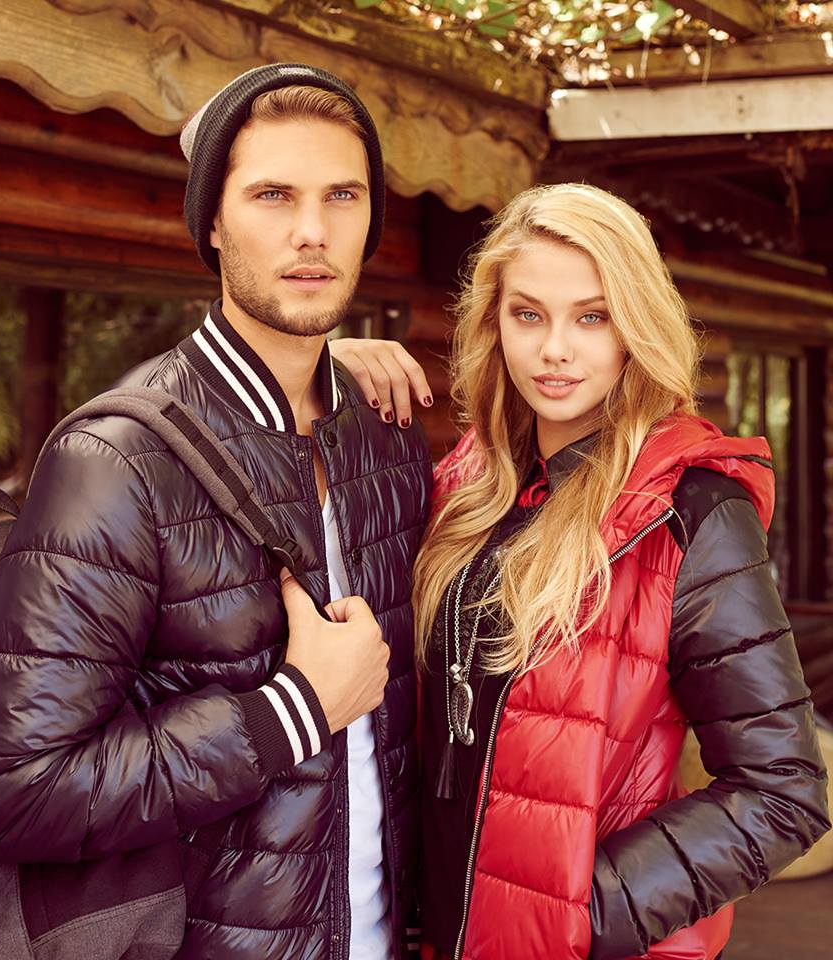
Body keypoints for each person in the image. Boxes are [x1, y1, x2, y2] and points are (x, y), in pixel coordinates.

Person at [0, 64, 431, 960]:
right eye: (272, 195)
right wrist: (292, 711)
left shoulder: (387, 434)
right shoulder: (115, 461)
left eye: (343, 195)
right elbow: (15, 790)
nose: (312, 230)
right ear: (211, 222)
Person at [329, 182, 830, 960]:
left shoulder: (690, 509)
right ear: (494, 324)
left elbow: (784, 792)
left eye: (592, 317)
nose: (555, 350)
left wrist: (572, 917)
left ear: (634, 326)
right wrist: (316, 372)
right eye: (528, 315)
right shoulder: (468, 486)